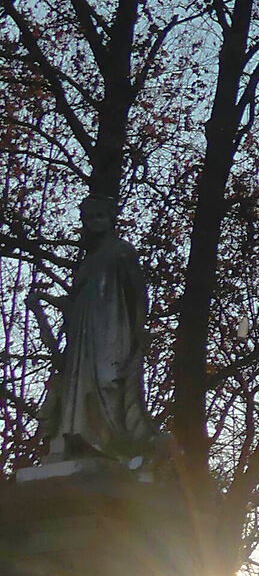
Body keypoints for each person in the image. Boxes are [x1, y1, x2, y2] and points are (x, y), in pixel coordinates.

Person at [37, 196, 164, 466]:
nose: (95, 222)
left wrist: (139, 327)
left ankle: (111, 442)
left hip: (112, 327)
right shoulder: (88, 261)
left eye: (100, 216)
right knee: (79, 384)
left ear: (110, 219)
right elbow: (75, 303)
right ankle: (81, 439)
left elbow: (138, 292)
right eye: (90, 217)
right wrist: (45, 299)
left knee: (109, 380)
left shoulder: (122, 251)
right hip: (83, 332)